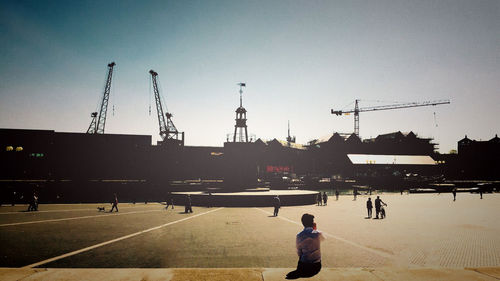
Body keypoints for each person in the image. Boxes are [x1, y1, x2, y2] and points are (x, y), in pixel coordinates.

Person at [286, 213, 325, 279]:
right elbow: (323, 239)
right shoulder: (318, 233)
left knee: (301, 253)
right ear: (312, 223)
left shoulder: (299, 235)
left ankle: (300, 270)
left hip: (304, 267)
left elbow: (299, 252)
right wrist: (315, 229)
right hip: (317, 266)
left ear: (303, 223)